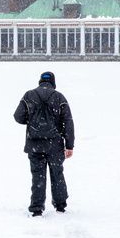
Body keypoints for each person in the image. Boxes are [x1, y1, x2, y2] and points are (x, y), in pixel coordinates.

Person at [13, 71, 75, 216]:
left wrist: (31, 120)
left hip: (34, 144)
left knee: (37, 176)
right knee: (57, 174)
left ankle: (36, 208)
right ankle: (60, 206)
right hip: (55, 144)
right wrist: (69, 145)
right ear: (53, 83)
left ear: (40, 81)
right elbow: (68, 122)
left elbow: (18, 116)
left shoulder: (29, 95)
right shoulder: (59, 97)